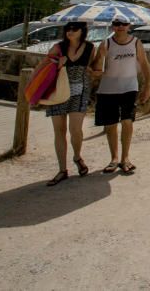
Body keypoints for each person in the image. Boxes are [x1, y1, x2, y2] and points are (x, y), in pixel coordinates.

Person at [90, 16, 150, 174]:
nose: (120, 27)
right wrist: (99, 58)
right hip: (108, 89)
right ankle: (114, 158)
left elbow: (144, 64)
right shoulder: (106, 43)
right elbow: (96, 68)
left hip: (129, 87)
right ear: (112, 26)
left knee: (127, 121)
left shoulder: (136, 43)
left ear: (129, 25)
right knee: (110, 125)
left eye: (124, 24)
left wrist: (147, 86)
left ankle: (125, 158)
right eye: (117, 24)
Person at [45, 20, 94, 186]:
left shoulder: (89, 47)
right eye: (68, 29)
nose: (70, 31)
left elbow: (92, 67)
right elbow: (46, 67)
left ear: (82, 31)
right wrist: (58, 65)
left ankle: (77, 156)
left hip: (79, 92)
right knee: (59, 130)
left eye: (74, 29)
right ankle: (62, 169)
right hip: (58, 92)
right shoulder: (58, 48)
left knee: (76, 130)